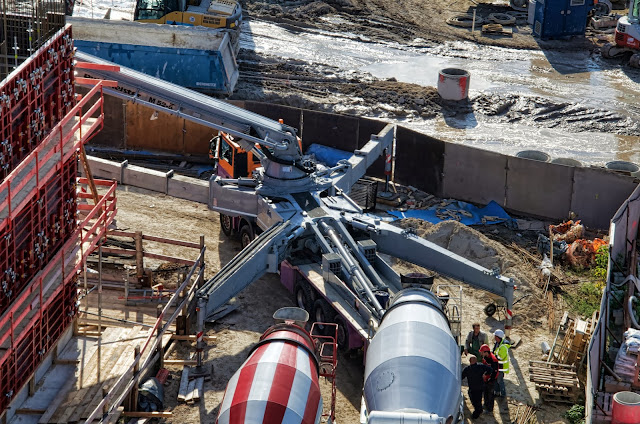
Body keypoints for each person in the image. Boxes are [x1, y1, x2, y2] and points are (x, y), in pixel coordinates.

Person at [479, 343, 498, 413]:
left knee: (490, 394)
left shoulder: (493, 360)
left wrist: (490, 379)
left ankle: (489, 409)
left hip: (491, 380)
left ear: (486, 352)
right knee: (485, 392)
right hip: (486, 379)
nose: (481, 354)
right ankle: (486, 404)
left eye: (482, 352)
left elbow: (495, 372)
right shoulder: (485, 358)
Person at [492, 329, 511, 397]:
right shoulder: (498, 343)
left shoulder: (503, 346)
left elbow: (500, 357)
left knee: (500, 380)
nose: (494, 337)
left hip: (501, 367)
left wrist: (493, 356)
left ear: (497, 337)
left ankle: (503, 394)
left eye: (495, 336)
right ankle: (496, 392)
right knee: (496, 379)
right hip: (497, 365)